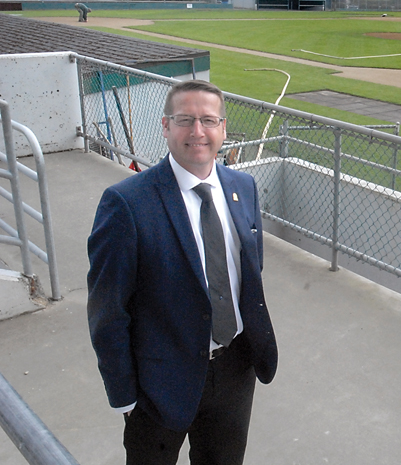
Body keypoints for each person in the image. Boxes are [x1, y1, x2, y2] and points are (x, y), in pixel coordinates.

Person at [87, 79, 278, 465]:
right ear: (165, 126)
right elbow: (108, 311)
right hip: (160, 381)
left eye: (208, 120)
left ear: (223, 128)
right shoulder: (126, 203)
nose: (197, 132)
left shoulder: (244, 186)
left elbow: (248, 270)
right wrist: (124, 396)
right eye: (185, 120)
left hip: (234, 369)